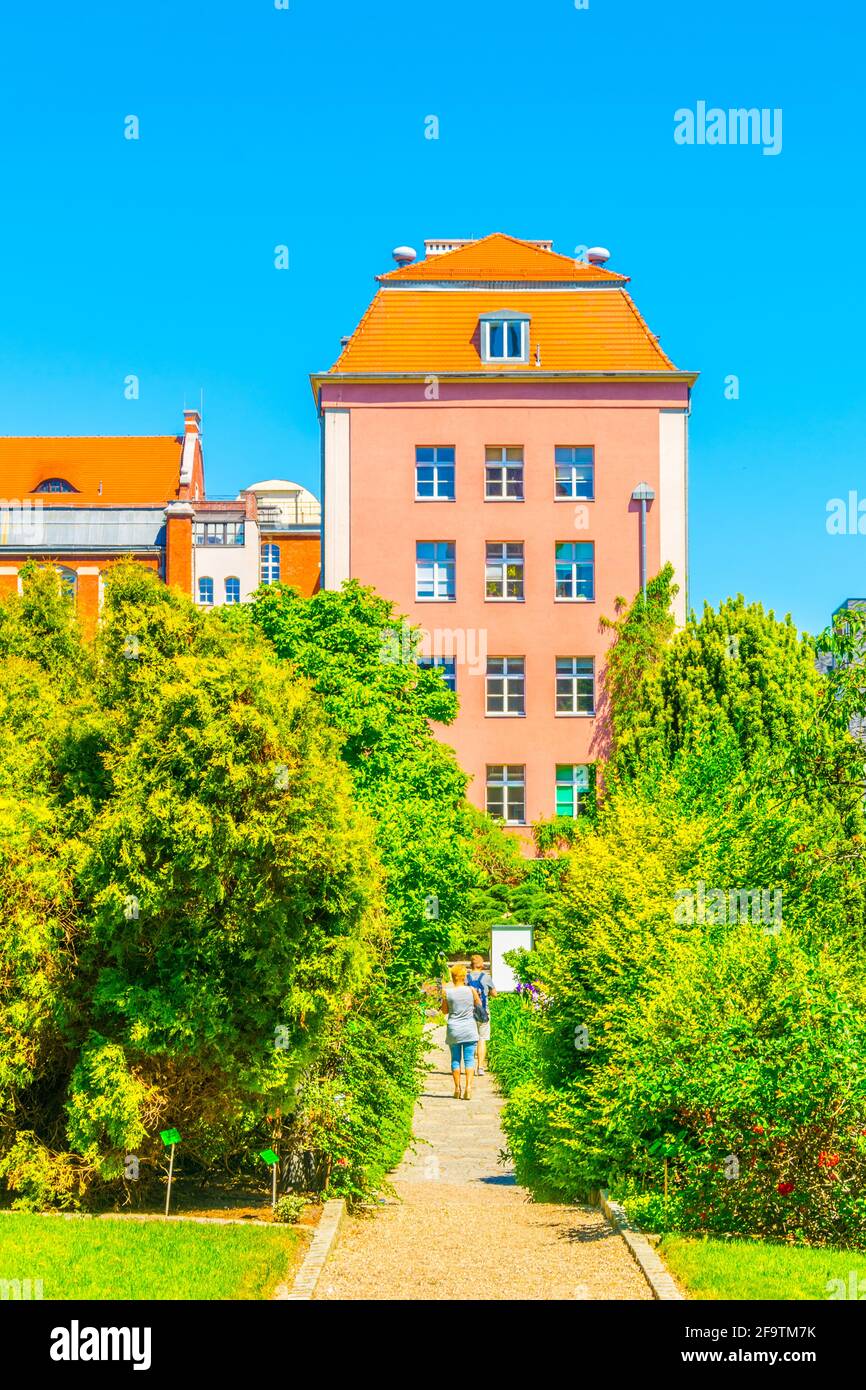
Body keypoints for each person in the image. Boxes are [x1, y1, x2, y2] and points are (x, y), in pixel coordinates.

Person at [441, 963, 480, 1100]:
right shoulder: (471, 990)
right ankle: (468, 1088)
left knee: (455, 1059)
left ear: (452, 977)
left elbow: (444, 1011)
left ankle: (457, 1088)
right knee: (469, 1059)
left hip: (454, 1029)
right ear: (464, 977)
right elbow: (478, 1005)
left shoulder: (447, 993)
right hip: (469, 1028)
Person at [466, 953, 496, 1075]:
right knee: (482, 1039)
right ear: (481, 965)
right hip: (483, 1011)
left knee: (472, 1039)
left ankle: (470, 1067)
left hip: (469, 1012)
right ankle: (480, 1068)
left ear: (471, 965)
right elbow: (494, 993)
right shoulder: (486, 977)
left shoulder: (465, 978)